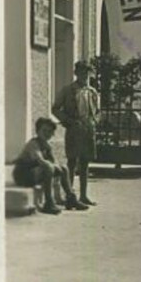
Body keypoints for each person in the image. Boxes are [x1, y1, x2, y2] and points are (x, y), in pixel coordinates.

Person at [12, 117, 89, 214]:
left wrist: (58, 168)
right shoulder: (33, 144)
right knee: (48, 167)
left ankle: (71, 198)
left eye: (50, 131)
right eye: (44, 130)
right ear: (37, 131)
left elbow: (55, 163)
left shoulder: (47, 146)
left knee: (63, 168)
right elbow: (40, 160)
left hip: (35, 173)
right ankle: (48, 203)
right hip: (23, 175)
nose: (47, 134)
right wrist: (53, 166)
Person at [52, 60, 99, 206]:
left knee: (85, 163)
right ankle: (70, 195)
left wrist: (95, 121)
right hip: (74, 129)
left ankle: (84, 196)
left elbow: (97, 111)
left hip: (88, 129)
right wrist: (68, 121)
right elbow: (55, 108)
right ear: (76, 73)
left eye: (87, 72)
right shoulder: (68, 90)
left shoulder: (92, 91)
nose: (84, 75)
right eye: (81, 72)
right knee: (72, 162)